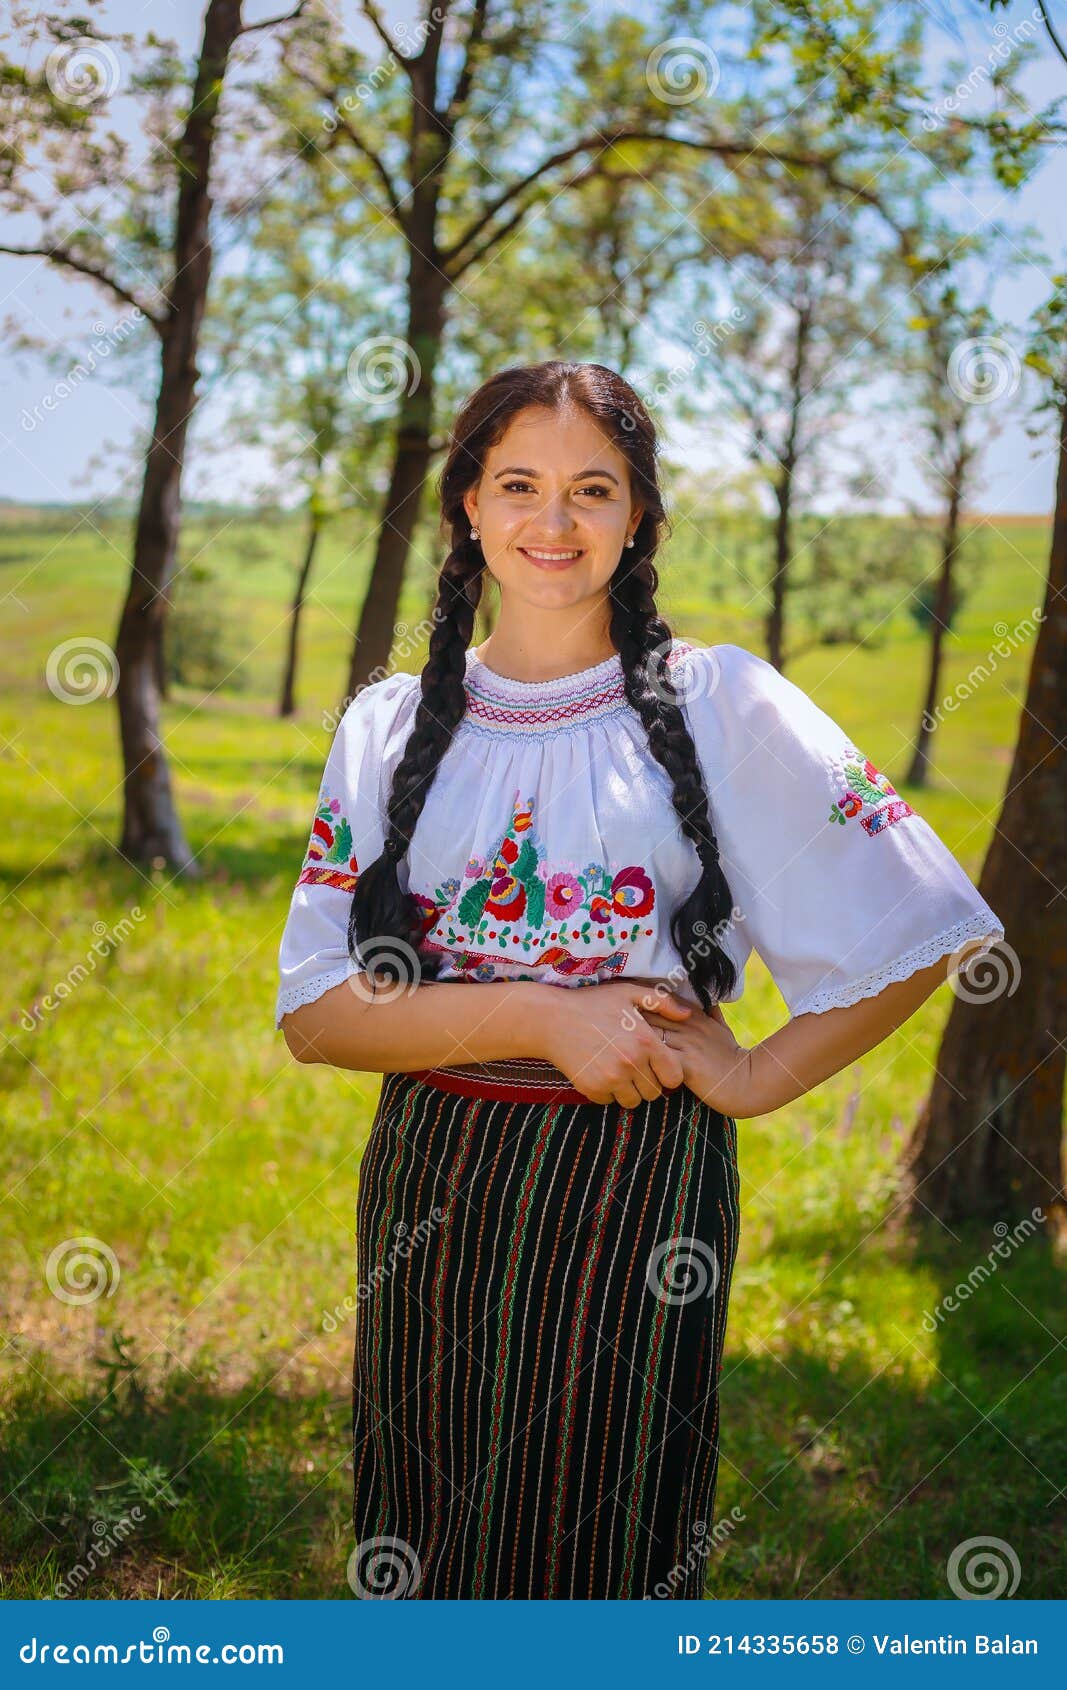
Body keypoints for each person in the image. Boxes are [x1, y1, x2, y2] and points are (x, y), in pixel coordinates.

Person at [274, 360, 1005, 1600]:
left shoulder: (719, 701)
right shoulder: (385, 724)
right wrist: (546, 1016)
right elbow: (318, 1011)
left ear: (638, 519)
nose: (550, 524)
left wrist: (760, 1072)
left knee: (603, 1530)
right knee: (425, 1514)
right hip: (430, 1167)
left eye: (590, 490)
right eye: (517, 485)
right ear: (465, 509)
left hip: (633, 1172)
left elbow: (921, 919)